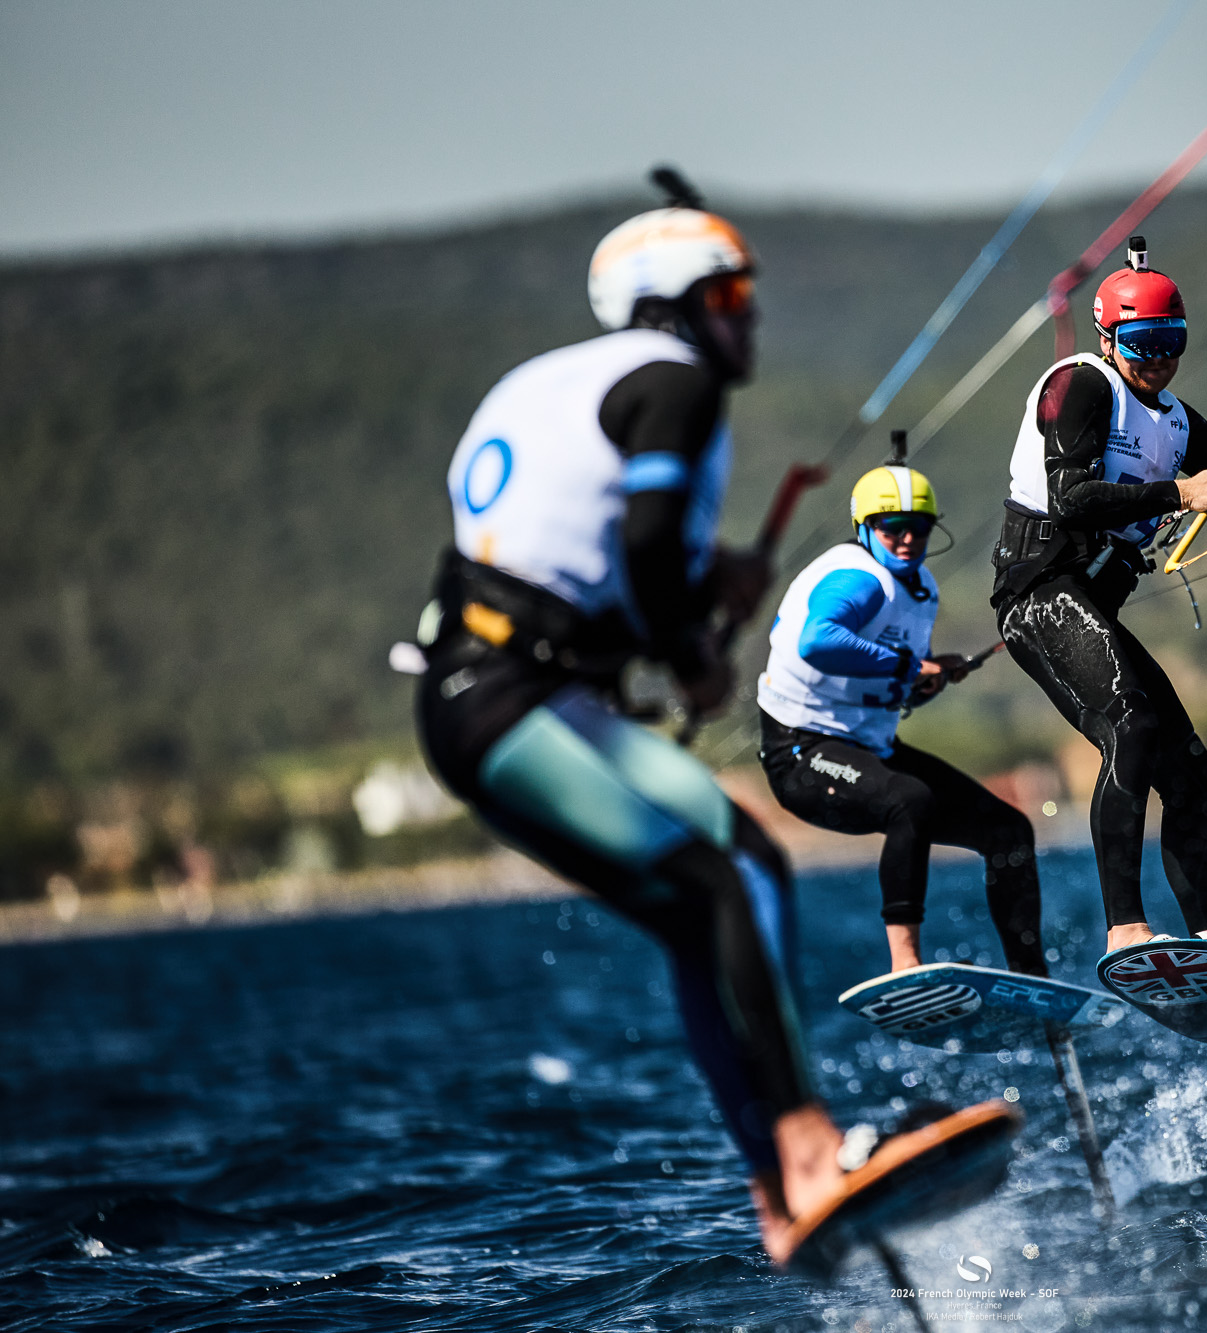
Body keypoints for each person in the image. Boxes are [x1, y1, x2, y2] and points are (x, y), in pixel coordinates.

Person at [412, 179, 993, 1262]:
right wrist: (689, 657)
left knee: (699, 907)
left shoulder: (552, 381)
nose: (747, 316)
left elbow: (569, 559)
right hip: (505, 703)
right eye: (728, 293)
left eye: (746, 292)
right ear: (671, 306)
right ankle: (808, 1151)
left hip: (484, 698)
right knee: (741, 871)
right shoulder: (672, 382)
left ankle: (783, 1190)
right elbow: (636, 558)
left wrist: (702, 583)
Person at [991, 237, 1207, 956]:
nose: (1158, 357)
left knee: (1192, 773)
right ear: (1108, 337)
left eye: (1172, 341)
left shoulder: (1178, 421)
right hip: (1037, 594)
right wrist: (1181, 490)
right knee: (1130, 725)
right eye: (1143, 341)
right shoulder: (1081, 385)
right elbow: (1069, 498)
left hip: (1090, 605)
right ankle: (1125, 927)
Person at [757, 461, 1046, 977]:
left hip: (870, 747)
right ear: (865, 528)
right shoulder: (859, 577)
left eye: (920, 527)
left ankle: (1030, 976)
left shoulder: (919, 589)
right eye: (893, 528)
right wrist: (913, 666)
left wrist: (925, 678)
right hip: (801, 754)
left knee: (1009, 830)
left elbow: (887, 682)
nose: (909, 538)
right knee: (909, 802)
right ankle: (904, 963)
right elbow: (818, 641)